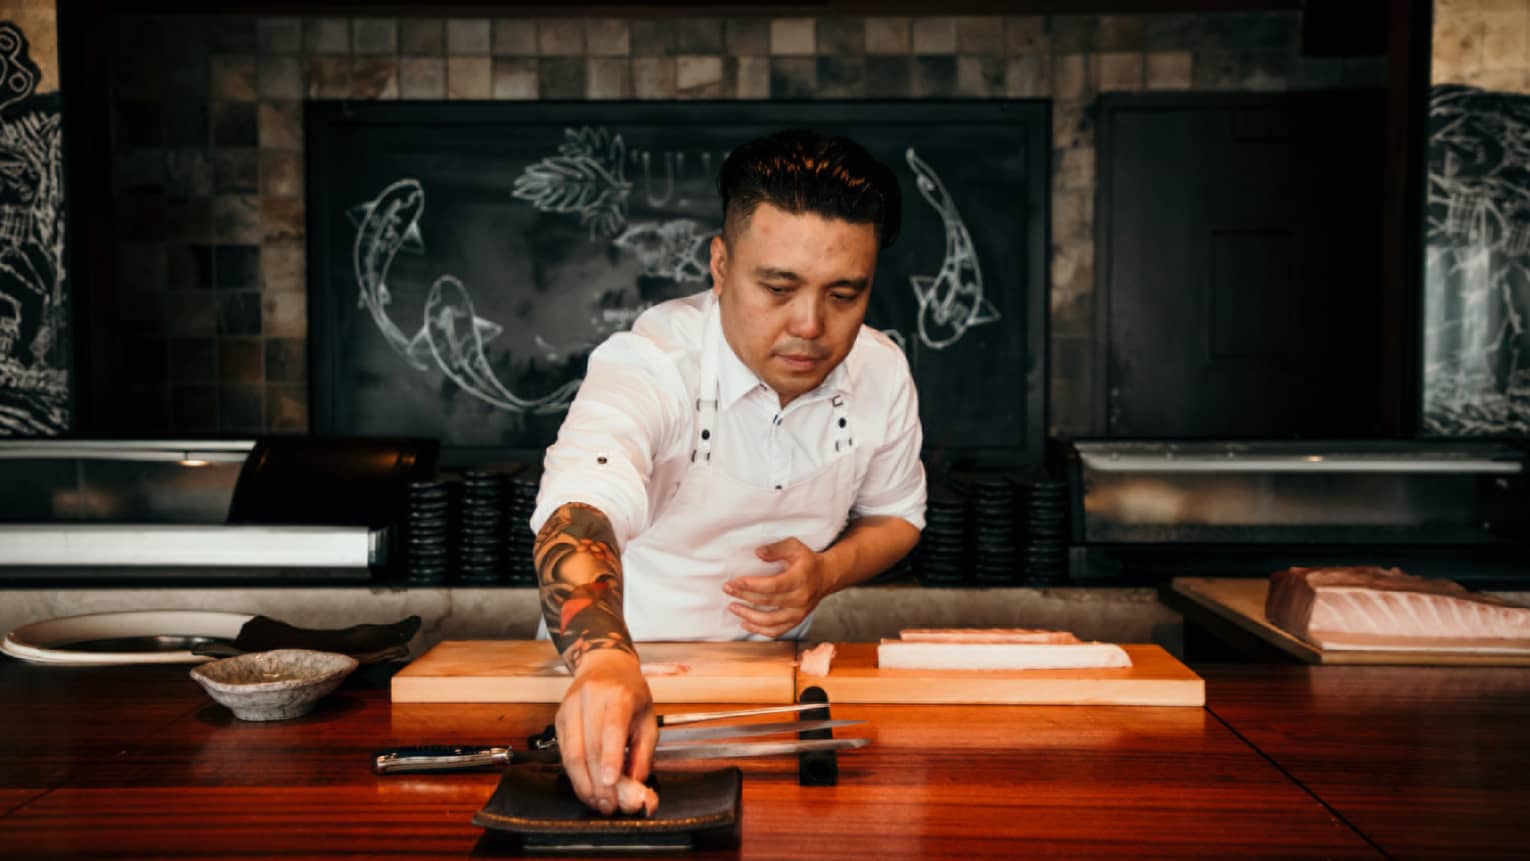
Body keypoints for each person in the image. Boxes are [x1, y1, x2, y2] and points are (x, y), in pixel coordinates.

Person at [529, 129, 926, 815]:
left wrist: (826, 572)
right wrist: (602, 662)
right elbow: (578, 513)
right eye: (778, 286)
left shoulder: (881, 369)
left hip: (772, 699)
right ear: (719, 264)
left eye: (844, 294)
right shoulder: (652, 363)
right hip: (604, 681)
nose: (810, 324)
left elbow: (899, 516)